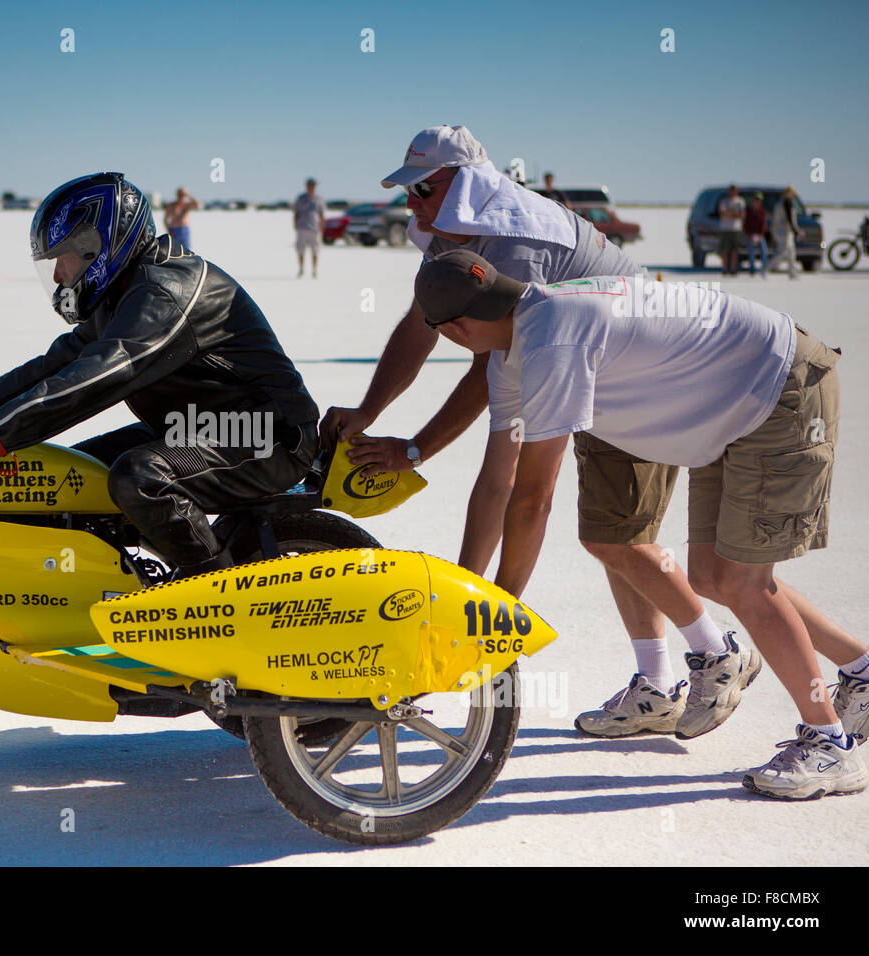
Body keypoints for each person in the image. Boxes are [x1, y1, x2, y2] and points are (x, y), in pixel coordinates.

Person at [324, 125, 745, 739]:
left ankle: (717, 651)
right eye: (407, 192)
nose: (410, 205)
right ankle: (657, 685)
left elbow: (489, 367)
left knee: (619, 534)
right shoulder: (456, 230)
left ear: (465, 185)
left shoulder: (519, 247)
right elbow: (427, 324)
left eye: (422, 189)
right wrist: (371, 414)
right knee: (609, 530)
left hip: (638, 375)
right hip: (578, 356)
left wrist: (489, 616)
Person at [414, 247, 869, 798]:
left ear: (459, 328)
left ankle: (830, 746)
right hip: (733, 403)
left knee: (741, 582)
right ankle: (863, 670)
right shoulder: (518, 344)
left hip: (782, 388)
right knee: (709, 577)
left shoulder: (554, 337)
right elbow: (500, 483)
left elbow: (535, 498)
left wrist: (500, 611)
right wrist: (475, 593)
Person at [0, 172, 320, 578]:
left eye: (60, 260)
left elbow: (90, 382)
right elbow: (53, 369)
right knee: (69, 476)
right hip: (194, 427)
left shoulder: (162, 294)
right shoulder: (123, 291)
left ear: (93, 248)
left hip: (267, 434)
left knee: (139, 478)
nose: (59, 276)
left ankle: (217, 602)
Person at [293, 177, 326, 278]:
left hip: (314, 228)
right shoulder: (301, 198)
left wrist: (322, 225)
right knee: (301, 250)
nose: (312, 187)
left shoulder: (319, 199)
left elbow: (321, 214)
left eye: (313, 185)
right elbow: (296, 212)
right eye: (310, 185)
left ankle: (314, 270)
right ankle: (301, 269)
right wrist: (295, 224)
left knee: (315, 250)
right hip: (302, 227)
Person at [716, 184, 745, 276]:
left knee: (734, 250)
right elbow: (722, 213)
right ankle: (725, 268)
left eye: (734, 190)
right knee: (725, 250)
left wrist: (731, 214)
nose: (732, 192)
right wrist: (734, 214)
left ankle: (733, 268)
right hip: (725, 229)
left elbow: (742, 214)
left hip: (736, 229)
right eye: (731, 190)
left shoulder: (740, 201)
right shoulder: (724, 201)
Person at [774, 185, 803, 279]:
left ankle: (792, 273)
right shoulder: (786, 203)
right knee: (782, 252)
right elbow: (790, 219)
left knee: (791, 252)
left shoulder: (784, 202)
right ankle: (765, 269)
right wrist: (796, 230)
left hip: (786, 231)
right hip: (784, 232)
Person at [743, 191, 768, 278]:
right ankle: (752, 269)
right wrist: (749, 235)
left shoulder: (762, 211)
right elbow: (745, 224)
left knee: (764, 252)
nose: (757, 202)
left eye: (759, 200)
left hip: (760, 235)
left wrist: (760, 235)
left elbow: (763, 224)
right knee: (751, 252)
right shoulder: (748, 210)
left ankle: (764, 269)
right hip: (750, 234)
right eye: (756, 199)